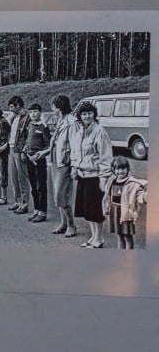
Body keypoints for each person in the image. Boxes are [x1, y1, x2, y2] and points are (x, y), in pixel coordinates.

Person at [70, 101, 112, 249]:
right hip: (83, 175)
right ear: (80, 116)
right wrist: (74, 167)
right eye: (84, 114)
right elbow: (75, 151)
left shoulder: (99, 131)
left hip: (95, 177)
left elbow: (105, 157)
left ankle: (99, 238)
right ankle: (93, 237)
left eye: (89, 113)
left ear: (94, 115)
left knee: (95, 210)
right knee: (87, 209)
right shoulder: (80, 131)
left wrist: (104, 178)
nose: (87, 116)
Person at [102, 156, 147, 249]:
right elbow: (107, 195)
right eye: (117, 169)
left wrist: (145, 197)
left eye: (123, 168)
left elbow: (139, 195)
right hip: (115, 212)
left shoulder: (133, 183)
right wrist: (106, 208)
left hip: (126, 214)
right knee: (120, 237)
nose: (120, 171)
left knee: (128, 237)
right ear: (113, 170)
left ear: (128, 169)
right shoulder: (112, 181)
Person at [48, 94, 77, 237]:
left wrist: (73, 165)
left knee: (61, 195)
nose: (52, 109)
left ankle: (71, 225)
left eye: (53, 106)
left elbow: (74, 145)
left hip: (65, 161)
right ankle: (64, 223)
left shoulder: (71, 122)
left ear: (59, 107)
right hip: (56, 160)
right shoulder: (61, 120)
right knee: (56, 193)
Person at [22, 103, 51, 223]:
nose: (33, 114)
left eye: (35, 111)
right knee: (33, 186)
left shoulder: (43, 126)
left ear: (40, 112)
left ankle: (43, 212)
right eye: (31, 112)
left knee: (41, 187)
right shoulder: (30, 125)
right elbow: (27, 140)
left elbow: (48, 145)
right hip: (29, 158)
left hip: (39, 160)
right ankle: (36, 209)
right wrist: (25, 151)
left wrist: (39, 154)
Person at [7, 96, 31, 214]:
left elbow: (28, 136)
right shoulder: (13, 117)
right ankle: (17, 200)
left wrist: (24, 151)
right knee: (14, 177)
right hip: (11, 147)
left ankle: (24, 202)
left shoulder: (26, 116)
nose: (10, 109)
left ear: (18, 105)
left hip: (19, 149)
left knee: (22, 177)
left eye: (12, 107)